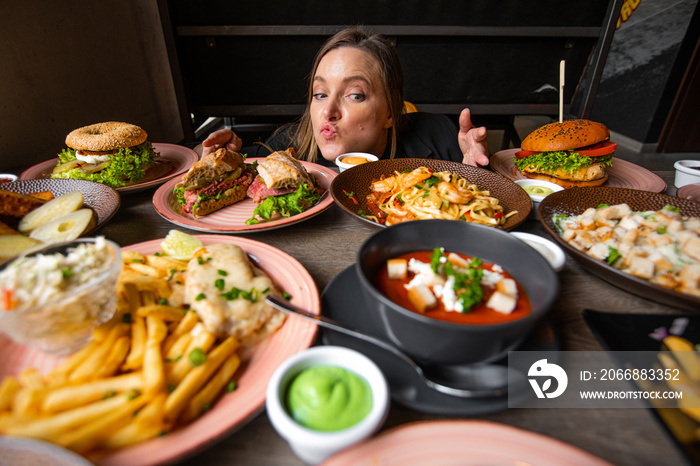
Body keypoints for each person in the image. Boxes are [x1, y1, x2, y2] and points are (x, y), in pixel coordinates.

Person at [201, 27, 489, 167]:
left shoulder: (440, 136)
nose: (328, 111)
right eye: (320, 94)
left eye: (354, 95)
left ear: (389, 112)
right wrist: (220, 163)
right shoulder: (285, 151)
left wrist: (480, 171)